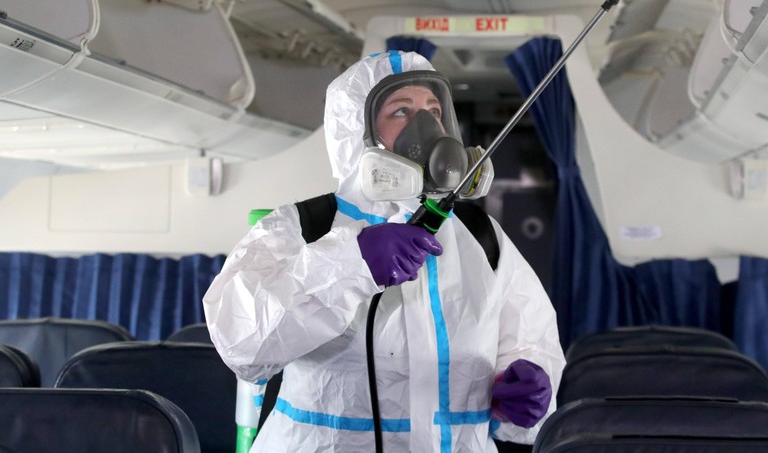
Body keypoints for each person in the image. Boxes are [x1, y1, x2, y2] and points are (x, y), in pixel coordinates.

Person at [203, 50, 565, 452]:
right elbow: (242, 345)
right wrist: (350, 264)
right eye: (401, 112)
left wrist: (528, 382)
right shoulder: (302, 227)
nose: (427, 126)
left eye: (433, 110)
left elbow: (532, 337)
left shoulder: (479, 235)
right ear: (356, 129)